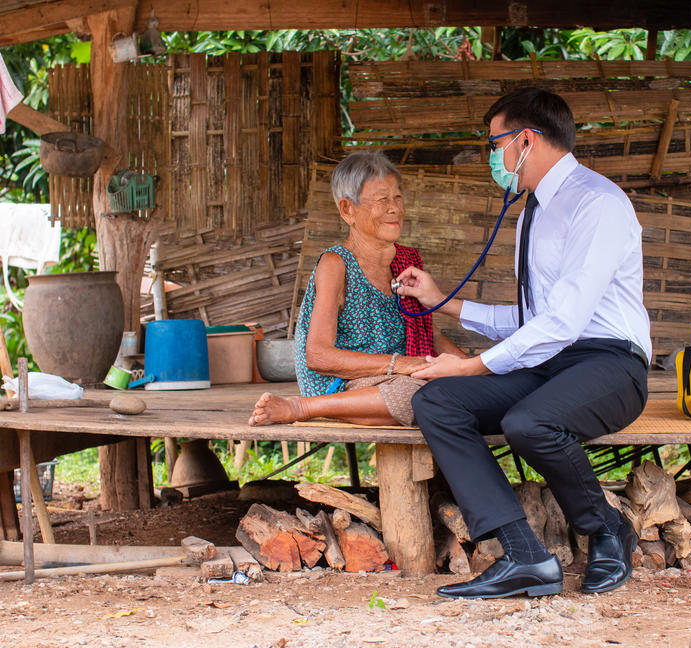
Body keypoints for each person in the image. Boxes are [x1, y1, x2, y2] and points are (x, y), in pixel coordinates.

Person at [396, 87, 651, 599]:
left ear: (527, 140)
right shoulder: (534, 209)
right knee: (437, 403)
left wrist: (471, 366)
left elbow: (567, 320)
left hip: (611, 363)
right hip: (552, 359)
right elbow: (536, 319)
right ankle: (525, 556)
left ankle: (606, 527)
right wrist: (444, 302)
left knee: (529, 423)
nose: (494, 156)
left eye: (496, 144)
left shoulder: (597, 203)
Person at [249, 151, 465, 428]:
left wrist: (472, 368)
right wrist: (401, 364)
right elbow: (318, 356)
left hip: (394, 379)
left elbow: (427, 334)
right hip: (344, 385)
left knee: (457, 391)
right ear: (347, 210)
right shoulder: (335, 264)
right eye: (382, 200)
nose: (395, 208)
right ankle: (301, 407)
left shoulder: (405, 263)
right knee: (420, 395)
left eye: (398, 197)